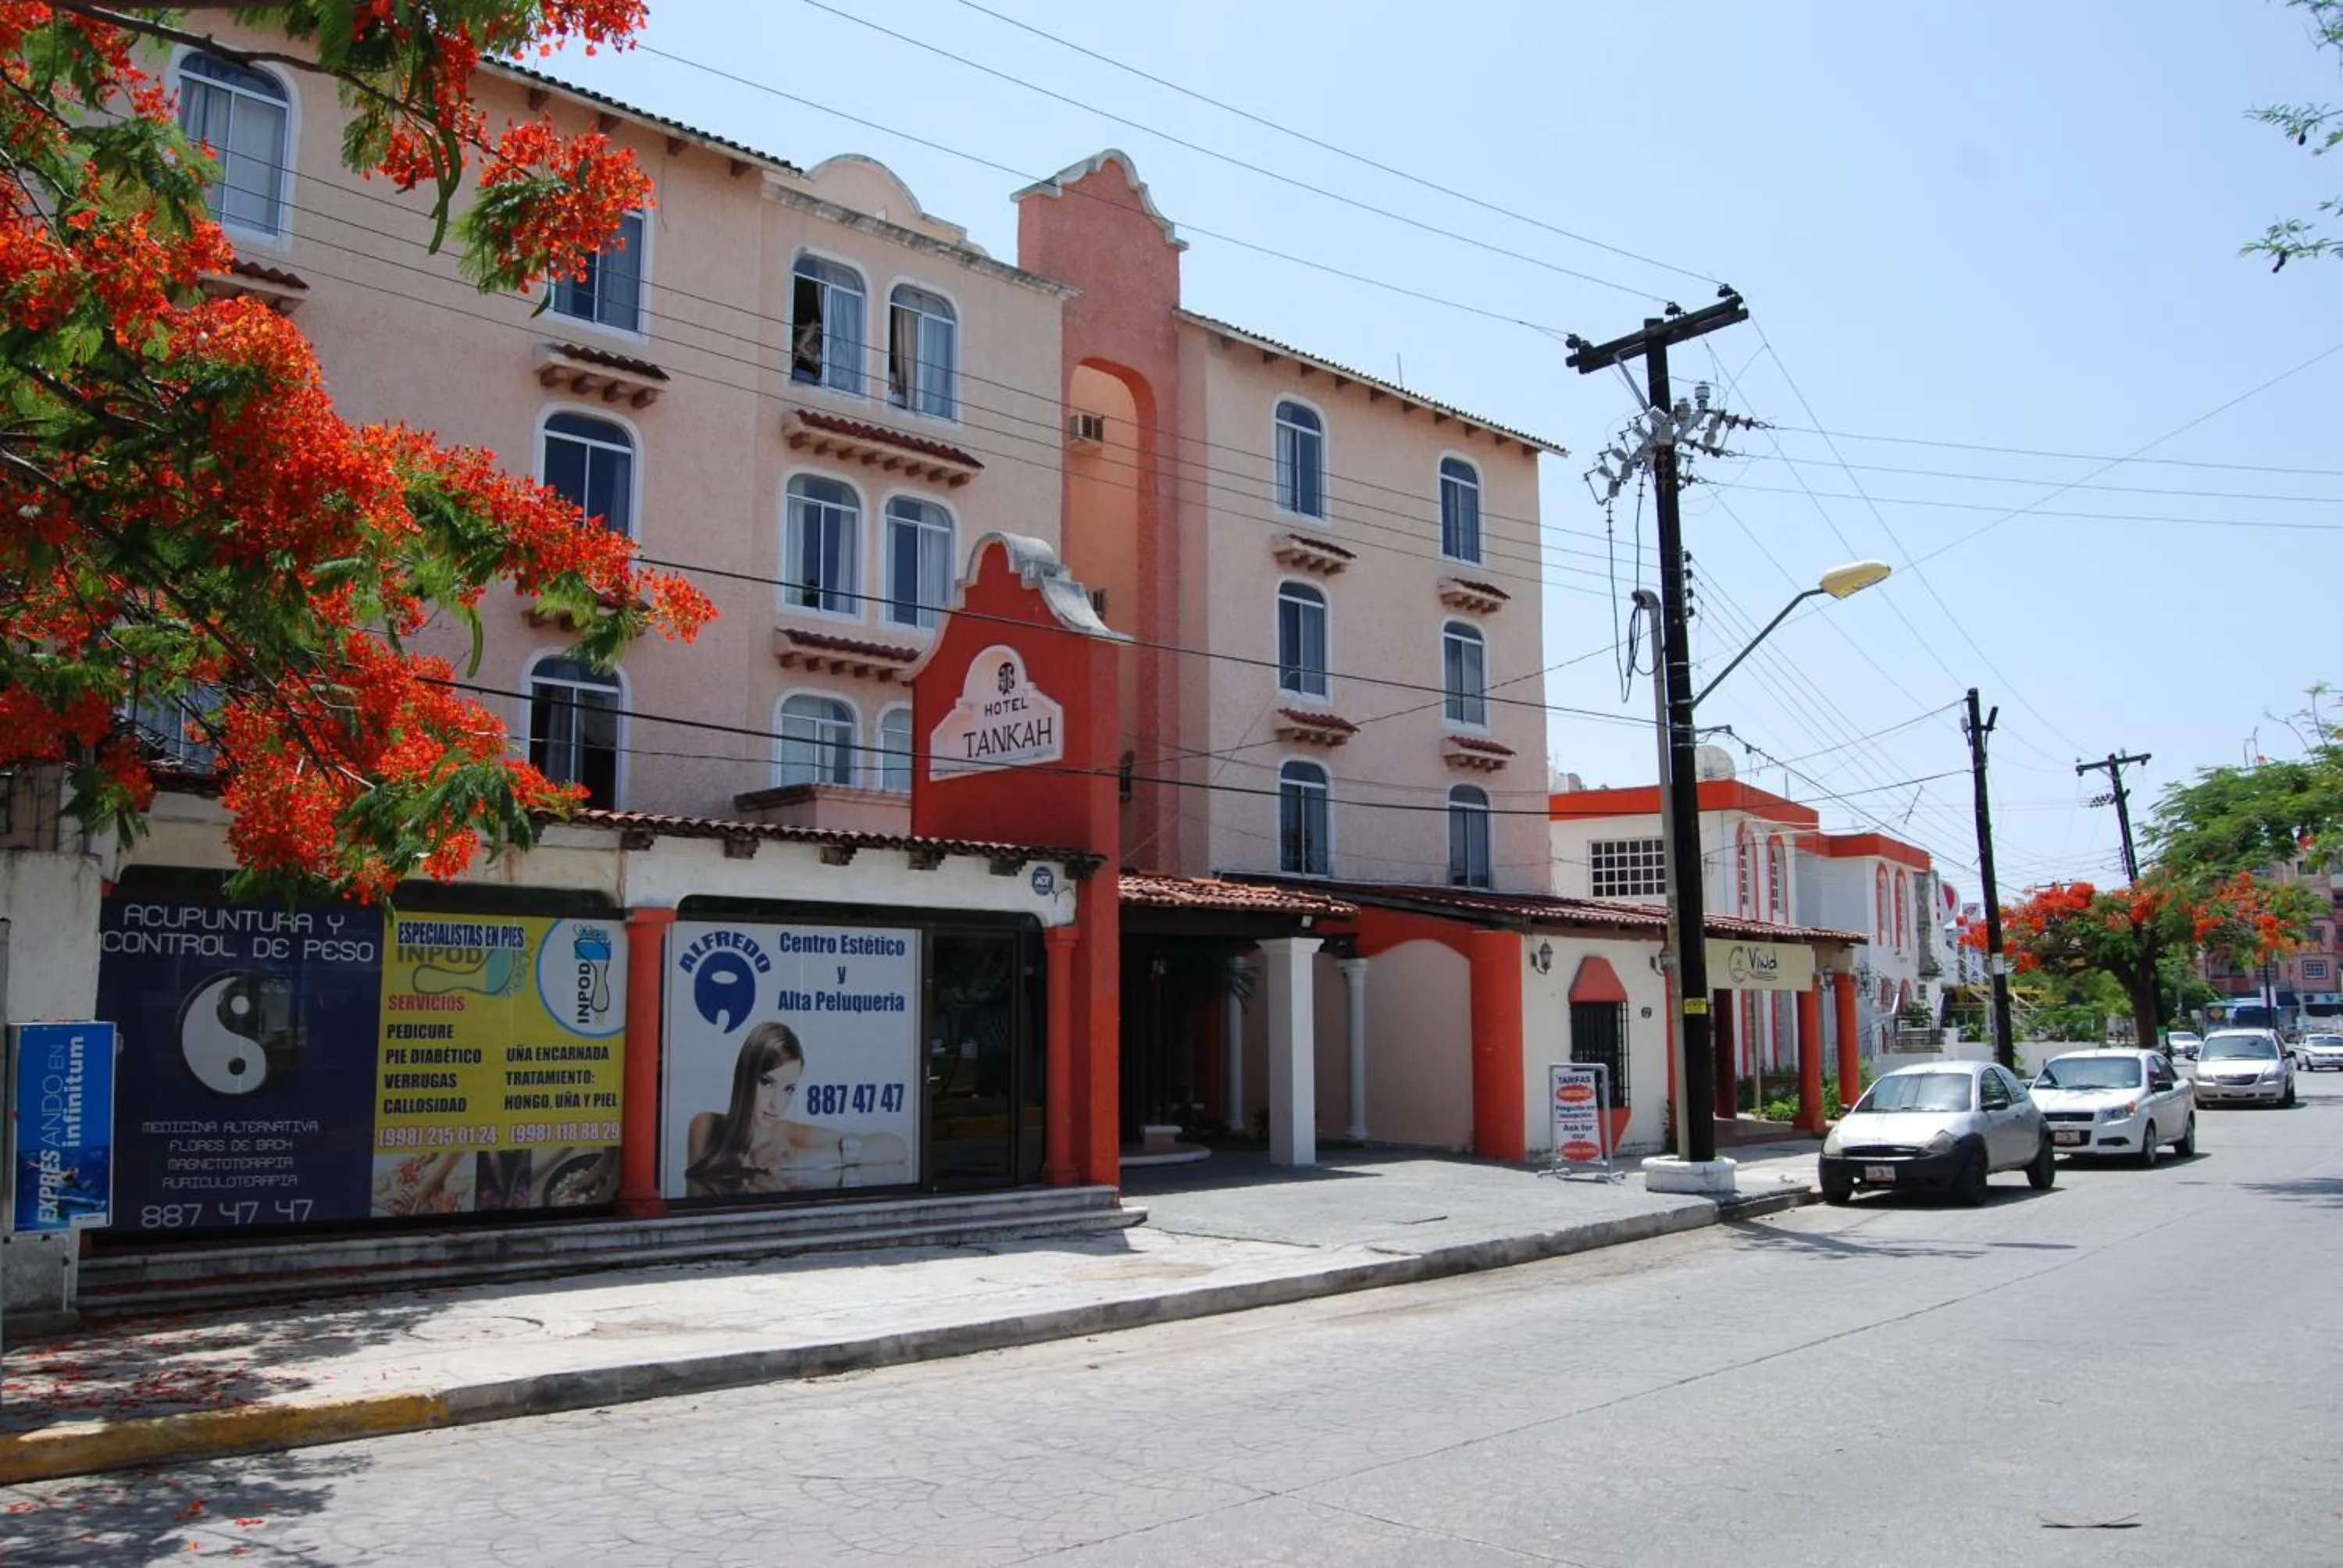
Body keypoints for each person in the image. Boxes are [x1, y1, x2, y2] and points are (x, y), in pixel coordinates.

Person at [684, 1021, 907, 1196]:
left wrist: (802, 1159)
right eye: (767, 1082)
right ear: (746, 1078)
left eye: (788, 1089)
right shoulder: (706, 1126)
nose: (776, 1104)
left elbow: (896, 1147)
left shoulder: (786, 1135)